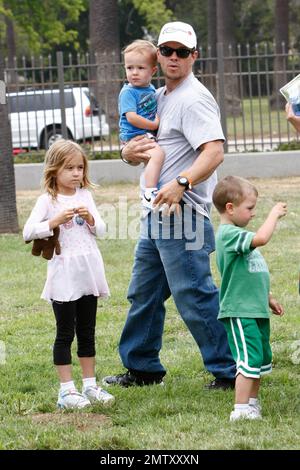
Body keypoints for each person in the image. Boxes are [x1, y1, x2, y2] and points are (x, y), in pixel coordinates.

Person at [103, 21, 236, 390]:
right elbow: (145, 148)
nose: (173, 57)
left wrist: (181, 183)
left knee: (193, 294)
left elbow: (214, 151)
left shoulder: (193, 98)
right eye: (167, 51)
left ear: (195, 56)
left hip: (184, 215)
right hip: (156, 213)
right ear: (157, 55)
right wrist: (128, 153)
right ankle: (142, 367)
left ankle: (231, 372)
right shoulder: (160, 96)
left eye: (182, 52)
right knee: (143, 293)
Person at [23, 139, 115, 409]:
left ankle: (89, 385)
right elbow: (29, 231)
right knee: (65, 332)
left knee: (88, 331)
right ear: (54, 170)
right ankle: (66, 391)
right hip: (64, 274)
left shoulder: (85, 196)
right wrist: (53, 221)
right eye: (69, 168)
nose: (76, 173)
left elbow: (102, 231)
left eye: (80, 167)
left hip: (88, 272)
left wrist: (90, 219)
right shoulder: (47, 200)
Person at [212, 176, 287, 421]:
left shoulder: (237, 235)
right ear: (230, 208)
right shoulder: (228, 234)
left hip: (255, 309)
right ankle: (240, 409)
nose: (253, 214)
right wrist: (273, 215)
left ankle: (252, 405)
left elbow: (249, 276)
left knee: (258, 359)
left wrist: (268, 298)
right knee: (247, 360)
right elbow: (262, 238)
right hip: (239, 310)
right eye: (250, 208)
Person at [119, 39, 165, 208]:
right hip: (134, 134)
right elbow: (131, 117)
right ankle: (150, 191)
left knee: (152, 159)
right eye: (130, 68)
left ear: (153, 70)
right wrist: (153, 125)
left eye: (140, 68)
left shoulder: (151, 90)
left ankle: (153, 185)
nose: (134, 73)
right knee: (157, 155)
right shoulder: (128, 92)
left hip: (144, 132)